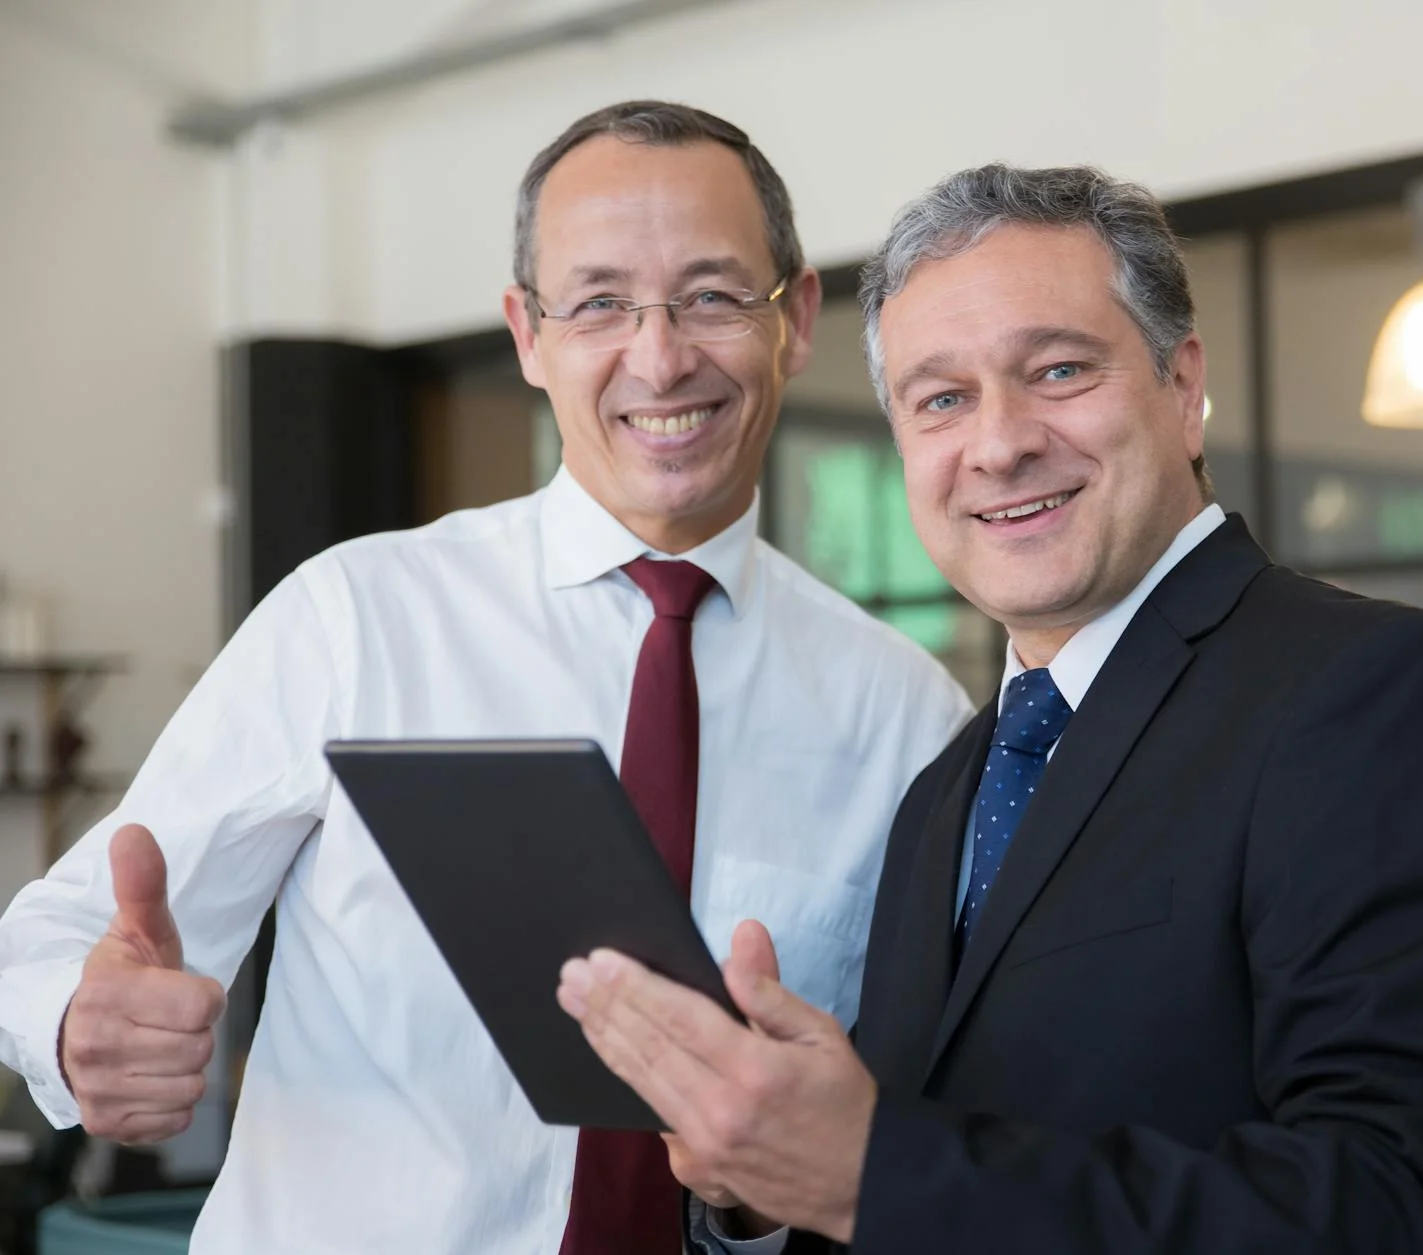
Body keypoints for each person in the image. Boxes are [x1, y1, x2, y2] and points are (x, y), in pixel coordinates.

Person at [0, 102, 971, 1255]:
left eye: (711, 296)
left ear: (795, 318)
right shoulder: (357, 616)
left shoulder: (907, 716)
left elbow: (893, 1132)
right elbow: (64, 928)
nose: (658, 357)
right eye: (600, 301)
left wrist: (758, 1197)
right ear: (526, 332)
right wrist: (78, 1023)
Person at [557, 163, 1423, 1254]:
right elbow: (915, 1169)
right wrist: (761, 1187)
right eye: (939, 399)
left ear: (1181, 389)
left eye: (1055, 370)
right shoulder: (952, 780)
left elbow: (1406, 1204)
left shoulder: (1367, 692)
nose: (996, 443)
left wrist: (867, 1172)